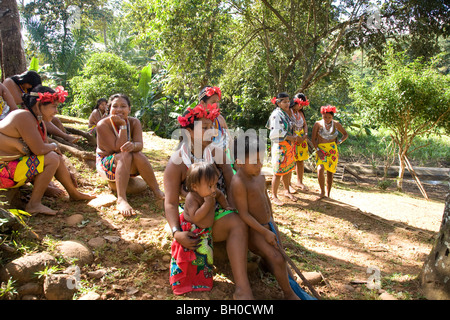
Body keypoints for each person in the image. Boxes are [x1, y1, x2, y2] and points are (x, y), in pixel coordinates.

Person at [164, 102, 254, 299]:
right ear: (188, 132)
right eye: (203, 127)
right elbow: (170, 202)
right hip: (192, 216)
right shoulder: (177, 162)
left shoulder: (216, 152)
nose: (210, 131)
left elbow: (232, 183)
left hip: (215, 206)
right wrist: (176, 233)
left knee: (238, 223)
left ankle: (243, 287)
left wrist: (231, 207)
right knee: (233, 223)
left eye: (211, 126)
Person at [0, 85, 95, 215]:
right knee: (52, 157)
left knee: (54, 155)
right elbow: (40, 150)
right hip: (3, 172)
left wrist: (63, 166)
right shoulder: (24, 116)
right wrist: (54, 146)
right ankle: (34, 204)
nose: (56, 111)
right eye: (54, 106)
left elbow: (44, 148)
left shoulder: (37, 121)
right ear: (39, 104)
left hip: (12, 169)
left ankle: (74, 193)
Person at [230, 135, 300, 300]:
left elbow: (265, 200)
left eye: (261, 160)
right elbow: (244, 214)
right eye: (255, 162)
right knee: (276, 257)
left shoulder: (260, 176)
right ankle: (289, 294)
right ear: (239, 162)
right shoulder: (239, 182)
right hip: (255, 229)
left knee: (280, 256)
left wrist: (272, 222)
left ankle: (291, 282)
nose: (259, 165)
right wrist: (263, 231)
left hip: (268, 225)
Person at [95, 93, 165, 217]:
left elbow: (139, 144)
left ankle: (157, 191)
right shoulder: (103, 125)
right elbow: (117, 148)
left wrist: (133, 146)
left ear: (129, 109)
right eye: (115, 106)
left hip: (125, 163)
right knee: (125, 155)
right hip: (107, 165)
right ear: (109, 109)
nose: (119, 110)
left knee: (138, 154)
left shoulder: (134, 122)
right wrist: (122, 126)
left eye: (123, 106)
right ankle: (121, 198)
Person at [170, 162, 234, 295]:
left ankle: (202, 283)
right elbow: (196, 217)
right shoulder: (192, 198)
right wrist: (207, 204)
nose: (213, 189)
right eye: (210, 186)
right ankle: (184, 283)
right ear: (194, 186)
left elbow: (221, 195)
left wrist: (226, 206)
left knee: (205, 260)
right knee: (190, 260)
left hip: (205, 233)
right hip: (192, 231)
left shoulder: (211, 192)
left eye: (215, 184)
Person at [2, 70, 80, 144]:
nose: (29, 87)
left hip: (28, 110)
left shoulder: (25, 88)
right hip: (12, 114)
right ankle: (65, 137)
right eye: (30, 85)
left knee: (55, 119)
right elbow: (19, 102)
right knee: (41, 118)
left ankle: (66, 135)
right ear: (25, 80)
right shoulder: (9, 82)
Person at [266, 93, 299, 206]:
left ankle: (286, 190)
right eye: (284, 101)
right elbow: (276, 132)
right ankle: (274, 195)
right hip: (280, 145)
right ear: (278, 103)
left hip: (288, 145)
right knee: (278, 171)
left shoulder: (286, 113)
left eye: (288, 101)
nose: (287, 103)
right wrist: (291, 137)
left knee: (288, 169)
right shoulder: (276, 115)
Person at [311, 105, 348, 199]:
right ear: (322, 115)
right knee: (320, 169)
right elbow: (313, 139)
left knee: (330, 172)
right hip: (321, 149)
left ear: (332, 117)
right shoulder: (318, 124)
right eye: (325, 117)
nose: (327, 119)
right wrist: (318, 150)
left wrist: (339, 141)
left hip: (332, 150)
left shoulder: (336, 124)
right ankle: (322, 192)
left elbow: (345, 134)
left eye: (329, 117)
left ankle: (328, 193)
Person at [290, 93, 310, 191]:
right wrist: (296, 136)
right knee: (290, 161)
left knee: (300, 161)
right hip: (292, 138)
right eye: (299, 104)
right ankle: (288, 183)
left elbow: (305, 125)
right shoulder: (288, 111)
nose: (300, 106)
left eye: (302, 105)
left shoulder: (301, 113)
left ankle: (299, 182)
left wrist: (305, 135)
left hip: (302, 139)